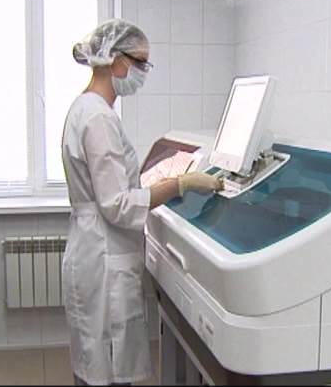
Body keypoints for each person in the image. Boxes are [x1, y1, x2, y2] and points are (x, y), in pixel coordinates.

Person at [61, 19, 222, 386]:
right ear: (118, 60)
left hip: (95, 248)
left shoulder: (86, 108)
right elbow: (117, 204)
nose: (143, 72)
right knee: (106, 362)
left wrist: (153, 184)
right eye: (141, 63)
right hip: (103, 257)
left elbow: (111, 186)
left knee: (97, 358)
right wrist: (179, 184)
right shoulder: (98, 117)